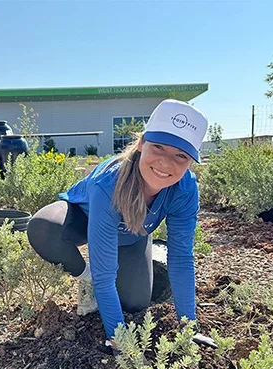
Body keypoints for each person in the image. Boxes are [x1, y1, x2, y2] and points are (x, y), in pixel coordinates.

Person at [27, 99, 217, 352]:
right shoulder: (108, 183)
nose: (165, 162)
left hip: (132, 235)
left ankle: (129, 275)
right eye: (158, 146)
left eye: (181, 155)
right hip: (82, 220)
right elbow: (106, 275)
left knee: (136, 303)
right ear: (141, 143)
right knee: (43, 227)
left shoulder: (185, 189)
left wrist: (188, 328)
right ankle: (86, 279)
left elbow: (181, 259)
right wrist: (118, 336)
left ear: (191, 162)